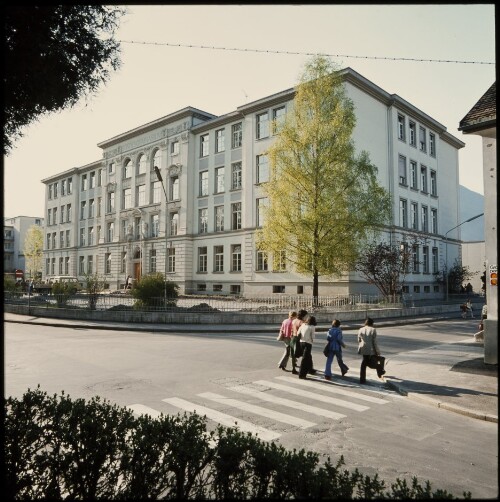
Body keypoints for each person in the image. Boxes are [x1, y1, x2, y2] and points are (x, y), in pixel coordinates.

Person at [357, 317, 385, 384]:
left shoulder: (361, 329)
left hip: (363, 348)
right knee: (369, 363)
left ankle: (362, 379)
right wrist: (377, 351)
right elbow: (374, 342)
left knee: (364, 363)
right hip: (371, 349)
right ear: (372, 323)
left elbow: (359, 340)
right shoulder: (373, 330)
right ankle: (380, 370)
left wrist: (362, 344)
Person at [298, 315, 317, 379]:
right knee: (305, 359)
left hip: (301, 342)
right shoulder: (312, 327)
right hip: (308, 343)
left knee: (308, 356)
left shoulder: (303, 325)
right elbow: (313, 336)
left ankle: (310, 369)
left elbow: (298, 333)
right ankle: (302, 374)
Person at [290, 309, 308, 375]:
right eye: (306, 315)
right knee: (304, 354)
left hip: (293, 338)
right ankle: (304, 368)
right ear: (303, 316)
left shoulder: (294, 320)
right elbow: (302, 333)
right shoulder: (301, 323)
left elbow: (291, 330)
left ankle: (293, 368)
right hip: (298, 339)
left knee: (293, 354)